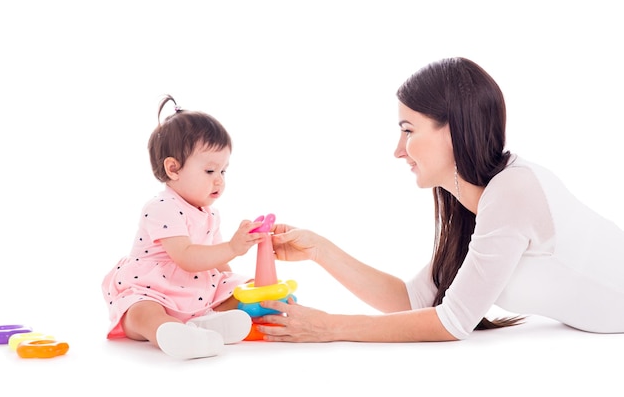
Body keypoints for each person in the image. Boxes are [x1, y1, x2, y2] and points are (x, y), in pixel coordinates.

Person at [255, 57, 624, 343]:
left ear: (454, 129)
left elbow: (452, 321)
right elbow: (414, 300)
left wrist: (331, 327)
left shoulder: (513, 191)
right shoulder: (475, 206)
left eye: (408, 130)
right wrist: (320, 250)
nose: (398, 150)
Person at [101, 95, 265, 358]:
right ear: (173, 168)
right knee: (141, 313)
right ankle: (169, 331)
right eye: (210, 171)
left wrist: (233, 284)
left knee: (245, 290)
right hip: (153, 289)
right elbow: (186, 257)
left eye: (224, 171)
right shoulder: (161, 206)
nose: (219, 181)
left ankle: (204, 324)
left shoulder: (210, 213)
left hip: (196, 291)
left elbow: (219, 262)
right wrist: (233, 247)